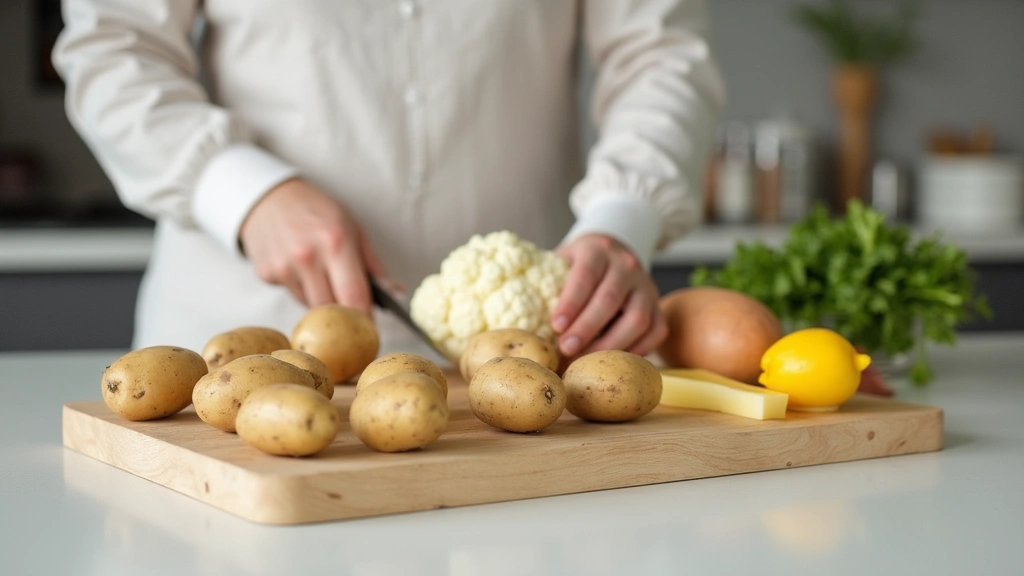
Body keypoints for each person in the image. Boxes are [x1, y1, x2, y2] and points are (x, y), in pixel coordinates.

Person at [53, 0, 725, 363]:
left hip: (534, 351)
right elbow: (113, 49)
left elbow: (661, 56)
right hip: (243, 341)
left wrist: (624, 215)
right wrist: (244, 192)